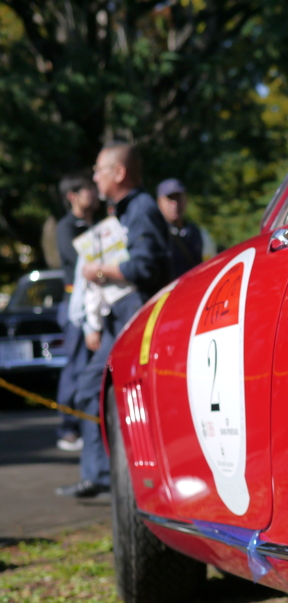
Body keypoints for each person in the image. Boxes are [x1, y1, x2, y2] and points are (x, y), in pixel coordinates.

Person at [56, 142, 173, 499]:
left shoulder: (139, 209)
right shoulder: (124, 211)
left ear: (118, 173)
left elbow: (146, 266)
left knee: (101, 389)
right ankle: (107, 474)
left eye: (99, 170)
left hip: (134, 316)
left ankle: (112, 476)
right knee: (96, 389)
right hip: (119, 317)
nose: (94, 177)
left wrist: (99, 270)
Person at [53, 172, 100, 452]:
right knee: (75, 365)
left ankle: (87, 424)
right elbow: (78, 259)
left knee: (91, 366)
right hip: (75, 305)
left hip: (97, 304)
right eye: (86, 191)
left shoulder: (98, 222)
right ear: (72, 196)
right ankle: (67, 428)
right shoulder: (66, 227)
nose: (92, 194)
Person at [156, 178, 216, 276]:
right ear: (159, 202)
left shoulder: (199, 233)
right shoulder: (155, 235)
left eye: (178, 198)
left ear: (185, 199)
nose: (175, 204)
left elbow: (211, 267)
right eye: (170, 198)